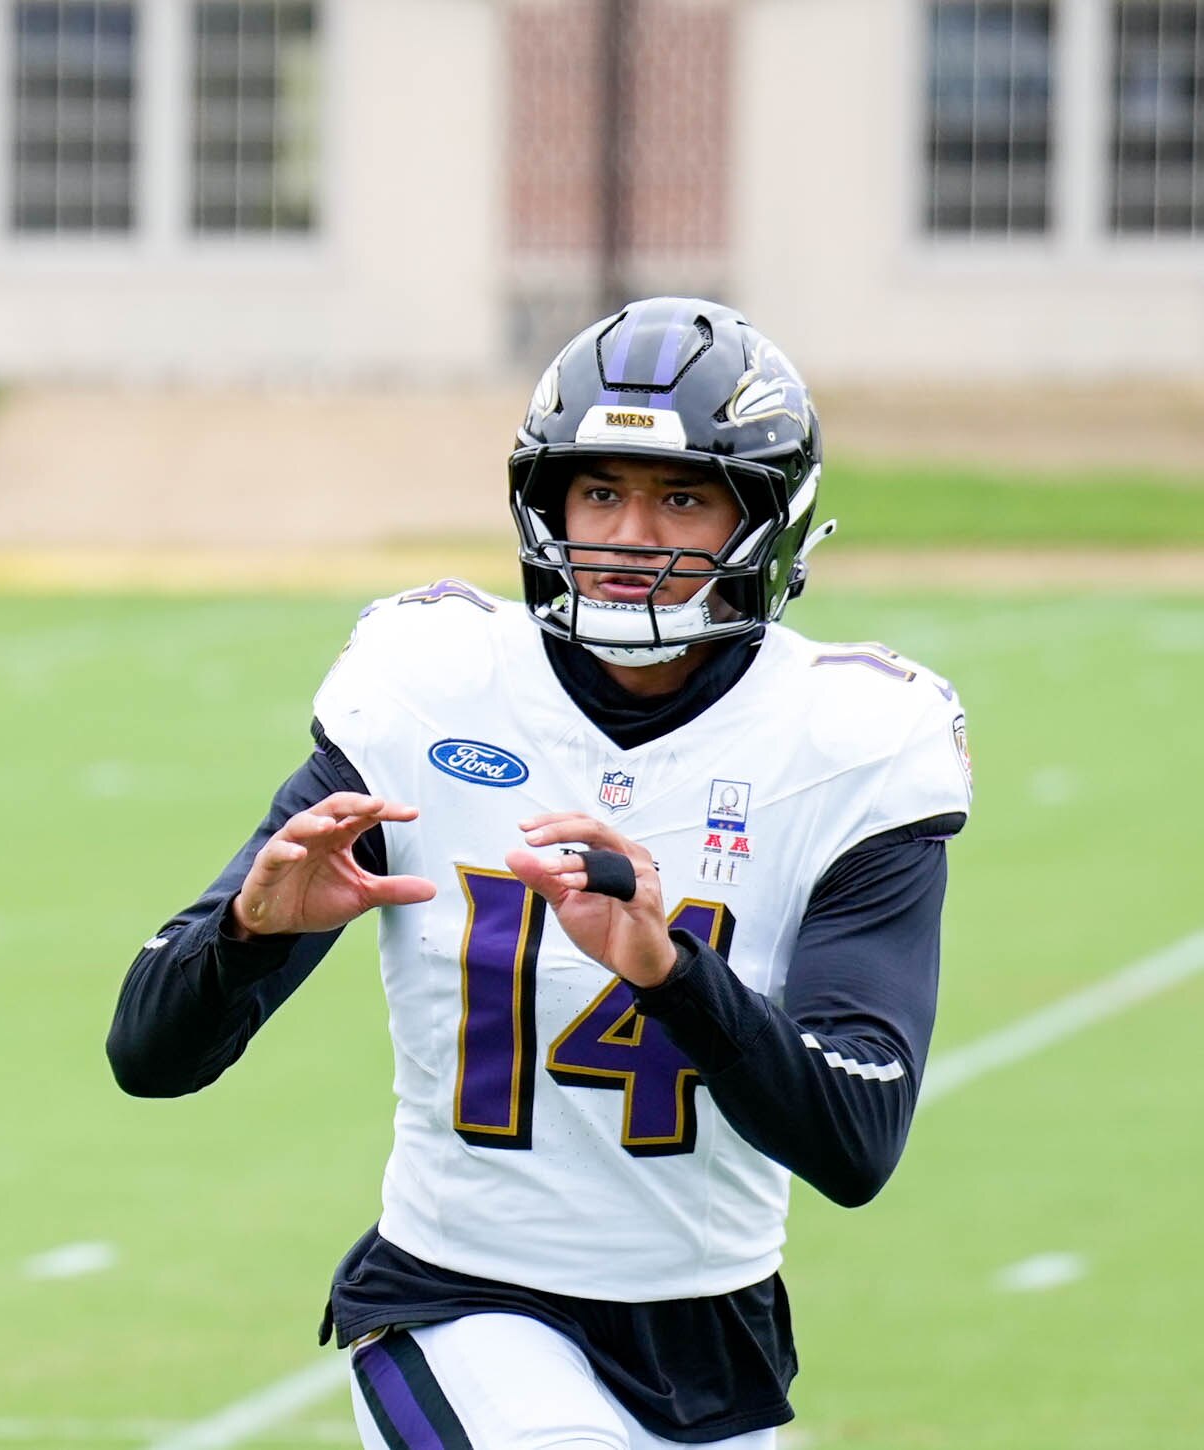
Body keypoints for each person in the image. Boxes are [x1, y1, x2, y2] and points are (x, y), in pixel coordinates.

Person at [106, 298, 972, 1449]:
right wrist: (246, 941)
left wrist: (670, 971)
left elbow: (855, 1140)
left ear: (766, 517)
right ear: (546, 501)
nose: (627, 536)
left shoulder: (851, 740)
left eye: (682, 497)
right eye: (600, 491)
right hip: (455, 1298)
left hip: (709, 1338)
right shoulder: (433, 685)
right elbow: (148, 1056)